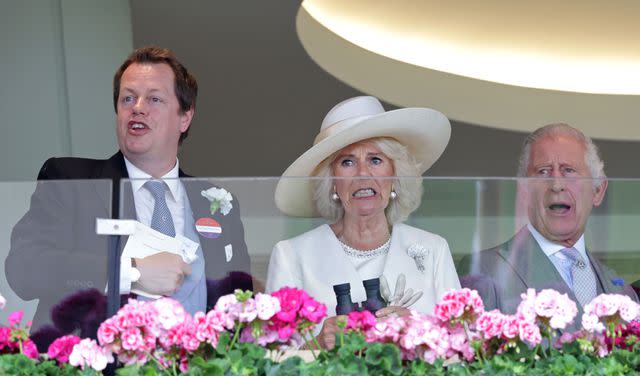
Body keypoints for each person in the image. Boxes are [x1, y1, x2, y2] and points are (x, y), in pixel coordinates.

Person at [5, 47, 251, 339]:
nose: (138, 107)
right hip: (93, 375)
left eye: (154, 98)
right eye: (128, 98)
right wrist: (130, 272)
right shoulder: (71, 180)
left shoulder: (217, 200)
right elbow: (24, 268)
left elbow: (238, 301)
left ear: (185, 117)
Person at [265, 96, 461, 349]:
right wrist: (315, 345)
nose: (362, 174)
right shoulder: (292, 255)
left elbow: (464, 345)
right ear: (332, 181)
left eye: (375, 160)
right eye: (347, 162)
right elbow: (270, 361)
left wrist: (420, 330)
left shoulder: (433, 249)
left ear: (395, 176)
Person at [460, 123, 638, 315]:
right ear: (524, 190)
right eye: (543, 171)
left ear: (597, 190)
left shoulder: (622, 292)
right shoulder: (485, 273)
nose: (556, 184)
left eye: (568, 170)